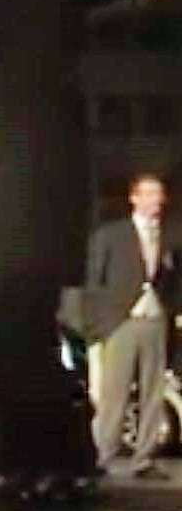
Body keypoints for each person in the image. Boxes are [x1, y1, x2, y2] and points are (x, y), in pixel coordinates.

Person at [86, 174, 178, 481]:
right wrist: (98, 324)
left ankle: (144, 457)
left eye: (158, 194)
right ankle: (104, 453)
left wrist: (169, 308)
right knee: (115, 391)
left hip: (155, 319)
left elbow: (171, 279)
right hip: (121, 320)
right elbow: (95, 281)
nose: (155, 200)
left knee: (153, 391)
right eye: (148, 194)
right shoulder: (112, 234)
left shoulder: (167, 235)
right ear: (134, 198)